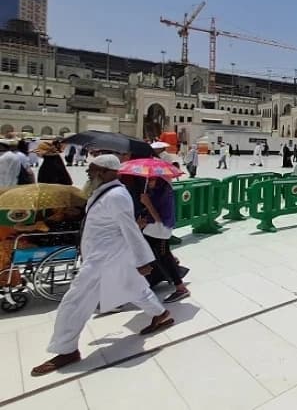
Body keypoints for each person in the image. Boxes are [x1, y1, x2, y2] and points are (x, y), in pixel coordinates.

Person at [30, 155, 174, 376]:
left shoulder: (116, 196)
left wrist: (143, 261)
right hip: (105, 255)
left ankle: (66, 350)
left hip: (104, 258)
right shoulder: (104, 191)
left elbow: (130, 229)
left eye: (93, 169)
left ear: (107, 172)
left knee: (74, 302)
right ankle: (160, 313)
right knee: (133, 287)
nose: (88, 172)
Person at [138, 177, 189, 303]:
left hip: (160, 231)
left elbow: (159, 218)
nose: (149, 182)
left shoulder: (164, 193)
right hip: (151, 230)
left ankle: (181, 288)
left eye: (152, 180)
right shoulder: (155, 191)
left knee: (164, 258)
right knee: (155, 256)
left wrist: (147, 203)